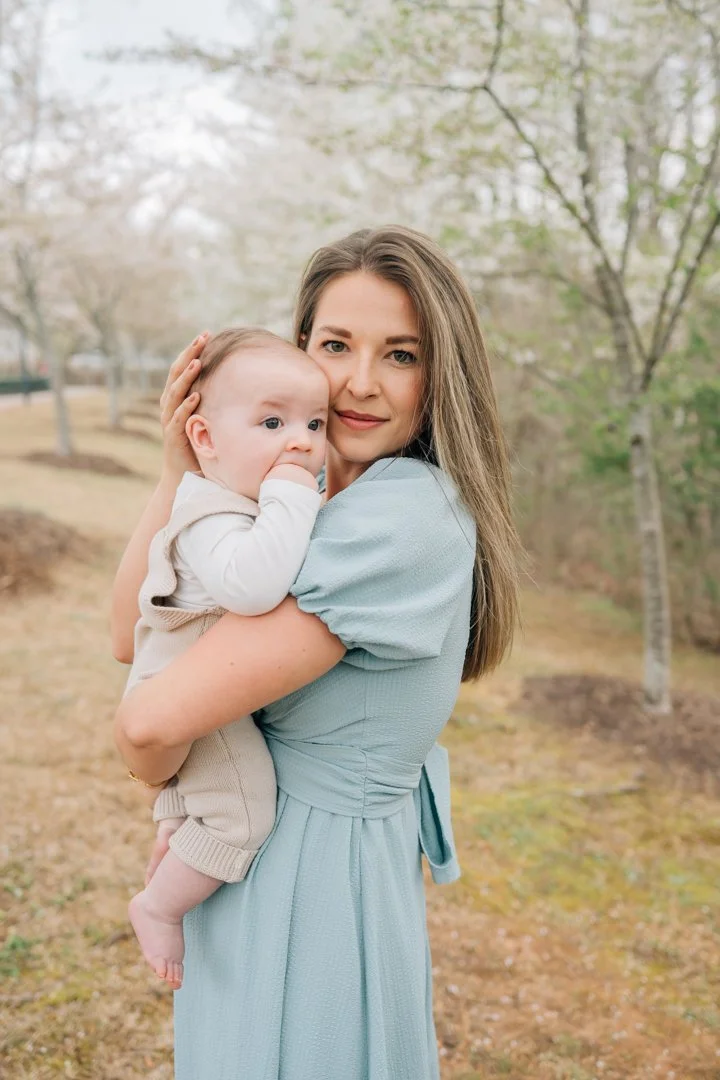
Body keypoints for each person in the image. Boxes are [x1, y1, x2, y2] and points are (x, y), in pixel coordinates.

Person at [112, 225, 520, 1080]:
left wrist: (163, 767)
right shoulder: (311, 490)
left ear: (441, 372)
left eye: (401, 354)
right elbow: (129, 633)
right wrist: (178, 470)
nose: (360, 383)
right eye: (336, 344)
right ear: (300, 348)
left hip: (313, 874)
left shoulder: (400, 516)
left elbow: (149, 722)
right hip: (244, 855)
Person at [125, 327, 328, 991]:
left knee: (205, 800)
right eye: (272, 421)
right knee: (244, 811)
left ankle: (177, 842)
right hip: (189, 690)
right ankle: (157, 906)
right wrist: (296, 498)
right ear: (205, 440)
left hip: (191, 682)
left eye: (313, 423)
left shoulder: (235, 501)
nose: (299, 440)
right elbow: (253, 585)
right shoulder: (213, 514)